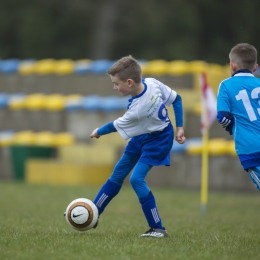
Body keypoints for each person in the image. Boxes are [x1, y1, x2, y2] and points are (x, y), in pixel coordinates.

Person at [90, 55, 186, 237]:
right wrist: (180, 127)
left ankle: (158, 228)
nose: (114, 87)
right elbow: (177, 99)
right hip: (142, 135)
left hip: (158, 140)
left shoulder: (138, 110)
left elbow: (113, 126)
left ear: (129, 82)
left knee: (136, 179)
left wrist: (98, 131)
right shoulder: (152, 83)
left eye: (116, 84)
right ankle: (93, 213)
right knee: (118, 173)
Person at [217, 43, 260, 190]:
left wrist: (232, 129)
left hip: (250, 148)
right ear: (255, 67)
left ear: (232, 66)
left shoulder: (226, 85)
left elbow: (222, 116)